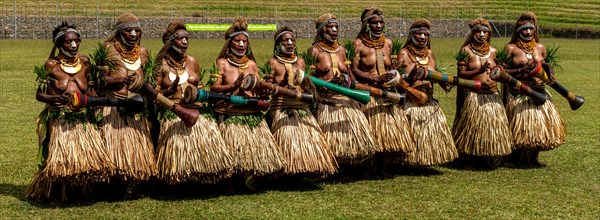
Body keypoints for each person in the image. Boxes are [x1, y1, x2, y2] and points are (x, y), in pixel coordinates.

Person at [26, 22, 114, 202]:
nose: (74, 45)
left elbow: (89, 89)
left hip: (83, 119)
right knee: (61, 160)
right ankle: (56, 192)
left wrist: (94, 98)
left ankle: (82, 191)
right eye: (68, 42)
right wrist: (54, 99)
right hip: (61, 119)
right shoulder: (51, 65)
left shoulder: (85, 63)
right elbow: (39, 94)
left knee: (85, 159)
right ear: (59, 44)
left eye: (76, 41)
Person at [153, 20, 233, 184]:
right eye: (180, 38)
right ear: (170, 41)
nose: (184, 42)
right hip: (174, 113)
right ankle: (178, 178)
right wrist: (169, 91)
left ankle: (205, 176)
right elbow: (155, 94)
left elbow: (201, 86)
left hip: (197, 112)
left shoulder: (192, 61)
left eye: (186, 39)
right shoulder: (161, 64)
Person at [210, 17, 283, 180]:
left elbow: (257, 87)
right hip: (231, 112)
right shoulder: (222, 63)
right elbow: (213, 88)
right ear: (230, 43)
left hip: (250, 111)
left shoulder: (251, 64)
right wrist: (232, 87)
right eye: (237, 41)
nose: (242, 45)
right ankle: (231, 180)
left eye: (244, 41)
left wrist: (264, 86)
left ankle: (248, 177)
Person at [265, 26, 337, 175]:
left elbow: (307, 84)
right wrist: (283, 83)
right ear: (278, 44)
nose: (290, 43)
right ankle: (288, 172)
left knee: (311, 138)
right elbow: (269, 88)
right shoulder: (273, 63)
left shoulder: (301, 62)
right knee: (288, 140)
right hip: (282, 108)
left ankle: (310, 168)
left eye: (292, 40)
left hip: (302, 107)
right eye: (286, 40)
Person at [308, 13, 377, 167]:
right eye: (330, 27)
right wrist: (327, 83)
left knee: (354, 137)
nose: (334, 30)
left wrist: (351, 82)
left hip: (347, 99)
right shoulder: (314, 50)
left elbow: (349, 73)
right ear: (321, 30)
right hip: (327, 102)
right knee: (332, 140)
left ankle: (353, 166)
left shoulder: (342, 49)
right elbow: (309, 80)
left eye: (336, 27)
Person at [99, 13, 156, 194]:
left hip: (137, 108)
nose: (133, 35)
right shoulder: (107, 49)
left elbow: (148, 81)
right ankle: (113, 184)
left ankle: (136, 182)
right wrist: (118, 81)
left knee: (137, 149)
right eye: (128, 31)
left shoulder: (143, 53)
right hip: (114, 107)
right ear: (119, 33)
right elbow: (100, 80)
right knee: (115, 150)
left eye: (136, 31)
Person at [351, 7, 416, 168]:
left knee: (388, 132)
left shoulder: (388, 43)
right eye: (375, 23)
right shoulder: (358, 44)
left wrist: (395, 77)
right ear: (367, 25)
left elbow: (392, 67)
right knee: (373, 132)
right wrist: (375, 78)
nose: (379, 26)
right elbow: (354, 69)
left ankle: (385, 164)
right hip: (370, 93)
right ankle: (368, 165)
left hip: (388, 94)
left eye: (381, 23)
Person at [503, 12, 565, 167]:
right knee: (522, 128)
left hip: (540, 93)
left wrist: (550, 72)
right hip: (520, 93)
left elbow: (546, 68)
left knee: (537, 128)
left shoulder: (540, 48)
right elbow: (502, 72)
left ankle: (533, 158)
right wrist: (519, 72)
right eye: (525, 29)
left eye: (531, 28)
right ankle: (516, 159)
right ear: (518, 30)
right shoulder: (511, 49)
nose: (529, 32)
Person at [395, 19, 458, 166]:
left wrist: (444, 81)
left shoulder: (430, 54)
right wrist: (409, 78)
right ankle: (408, 161)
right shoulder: (403, 54)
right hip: (411, 103)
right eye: (419, 34)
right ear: (411, 35)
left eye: (426, 34)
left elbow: (435, 74)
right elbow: (395, 79)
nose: (423, 37)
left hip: (429, 102)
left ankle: (426, 160)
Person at [452, 18, 512, 169]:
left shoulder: (493, 52)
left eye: (485, 32)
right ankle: (470, 160)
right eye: (478, 31)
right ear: (473, 33)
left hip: (492, 95)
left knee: (490, 129)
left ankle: (487, 158)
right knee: (473, 128)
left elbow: (499, 72)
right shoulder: (466, 51)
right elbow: (461, 74)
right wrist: (478, 71)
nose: (481, 34)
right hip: (474, 95)